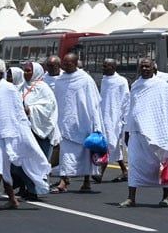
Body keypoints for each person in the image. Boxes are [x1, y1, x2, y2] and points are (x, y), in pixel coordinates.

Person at [0, 59, 51, 211]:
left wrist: (20, 132)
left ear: (1, 73)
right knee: (1, 167)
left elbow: (17, 111)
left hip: (6, 134)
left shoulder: (9, 88)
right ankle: (12, 200)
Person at [119, 58, 168, 208]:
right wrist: (127, 130)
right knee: (134, 165)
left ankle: (167, 196)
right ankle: (131, 198)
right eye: (142, 66)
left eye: (148, 66)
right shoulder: (136, 85)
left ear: (153, 68)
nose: (145, 69)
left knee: (160, 164)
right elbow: (131, 109)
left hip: (157, 133)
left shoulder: (161, 86)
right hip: (137, 133)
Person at [51, 52, 103, 193]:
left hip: (83, 121)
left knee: (86, 153)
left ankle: (87, 181)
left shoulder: (85, 79)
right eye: (64, 64)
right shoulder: (60, 80)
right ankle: (64, 181)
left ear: (75, 64)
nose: (66, 66)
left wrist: (96, 124)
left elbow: (94, 102)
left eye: (69, 64)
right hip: (65, 123)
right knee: (65, 153)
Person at [13, 61, 59, 200]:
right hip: (25, 131)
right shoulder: (21, 87)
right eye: (24, 71)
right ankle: (26, 187)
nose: (26, 73)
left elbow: (48, 108)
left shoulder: (43, 88)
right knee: (23, 161)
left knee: (37, 162)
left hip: (40, 131)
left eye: (28, 71)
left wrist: (30, 110)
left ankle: (35, 190)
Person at [94, 58, 129, 183]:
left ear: (113, 68)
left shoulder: (121, 81)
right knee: (112, 145)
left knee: (109, 144)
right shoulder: (103, 80)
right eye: (103, 66)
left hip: (115, 118)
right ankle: (124, 171)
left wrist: (124, 117)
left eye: (106, 66)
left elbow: (126, 100)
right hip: (103, 116)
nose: (103, 68)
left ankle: (100, 174)